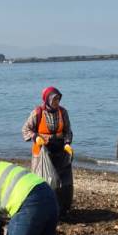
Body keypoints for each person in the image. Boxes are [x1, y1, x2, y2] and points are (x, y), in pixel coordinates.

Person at [22, 86, 74, 215]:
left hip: (60, 151)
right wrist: (36, 137)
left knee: (63, 181)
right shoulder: (37, 113)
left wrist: (67, 143)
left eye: (58, 99)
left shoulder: (63, 112)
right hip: (42, 152)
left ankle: (62, 208)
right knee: (44, 180)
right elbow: (26, 129)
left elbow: (68, 130)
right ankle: (42, 208)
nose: (57, 102)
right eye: (54, 99)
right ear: (47, 99)